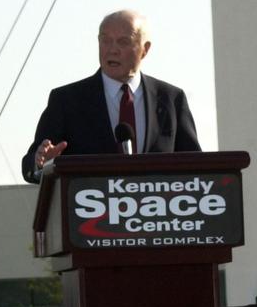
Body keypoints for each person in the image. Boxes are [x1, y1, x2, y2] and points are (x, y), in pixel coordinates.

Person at [20, 10, 200, 183]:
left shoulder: (171, 99)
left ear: (144, 49)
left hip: (158, 210)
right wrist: (41, 163)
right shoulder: (67, 101)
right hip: (91, 211)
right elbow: (31, 164)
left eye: (123, 42)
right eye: (105, 41)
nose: (112, 50)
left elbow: (196, 166)